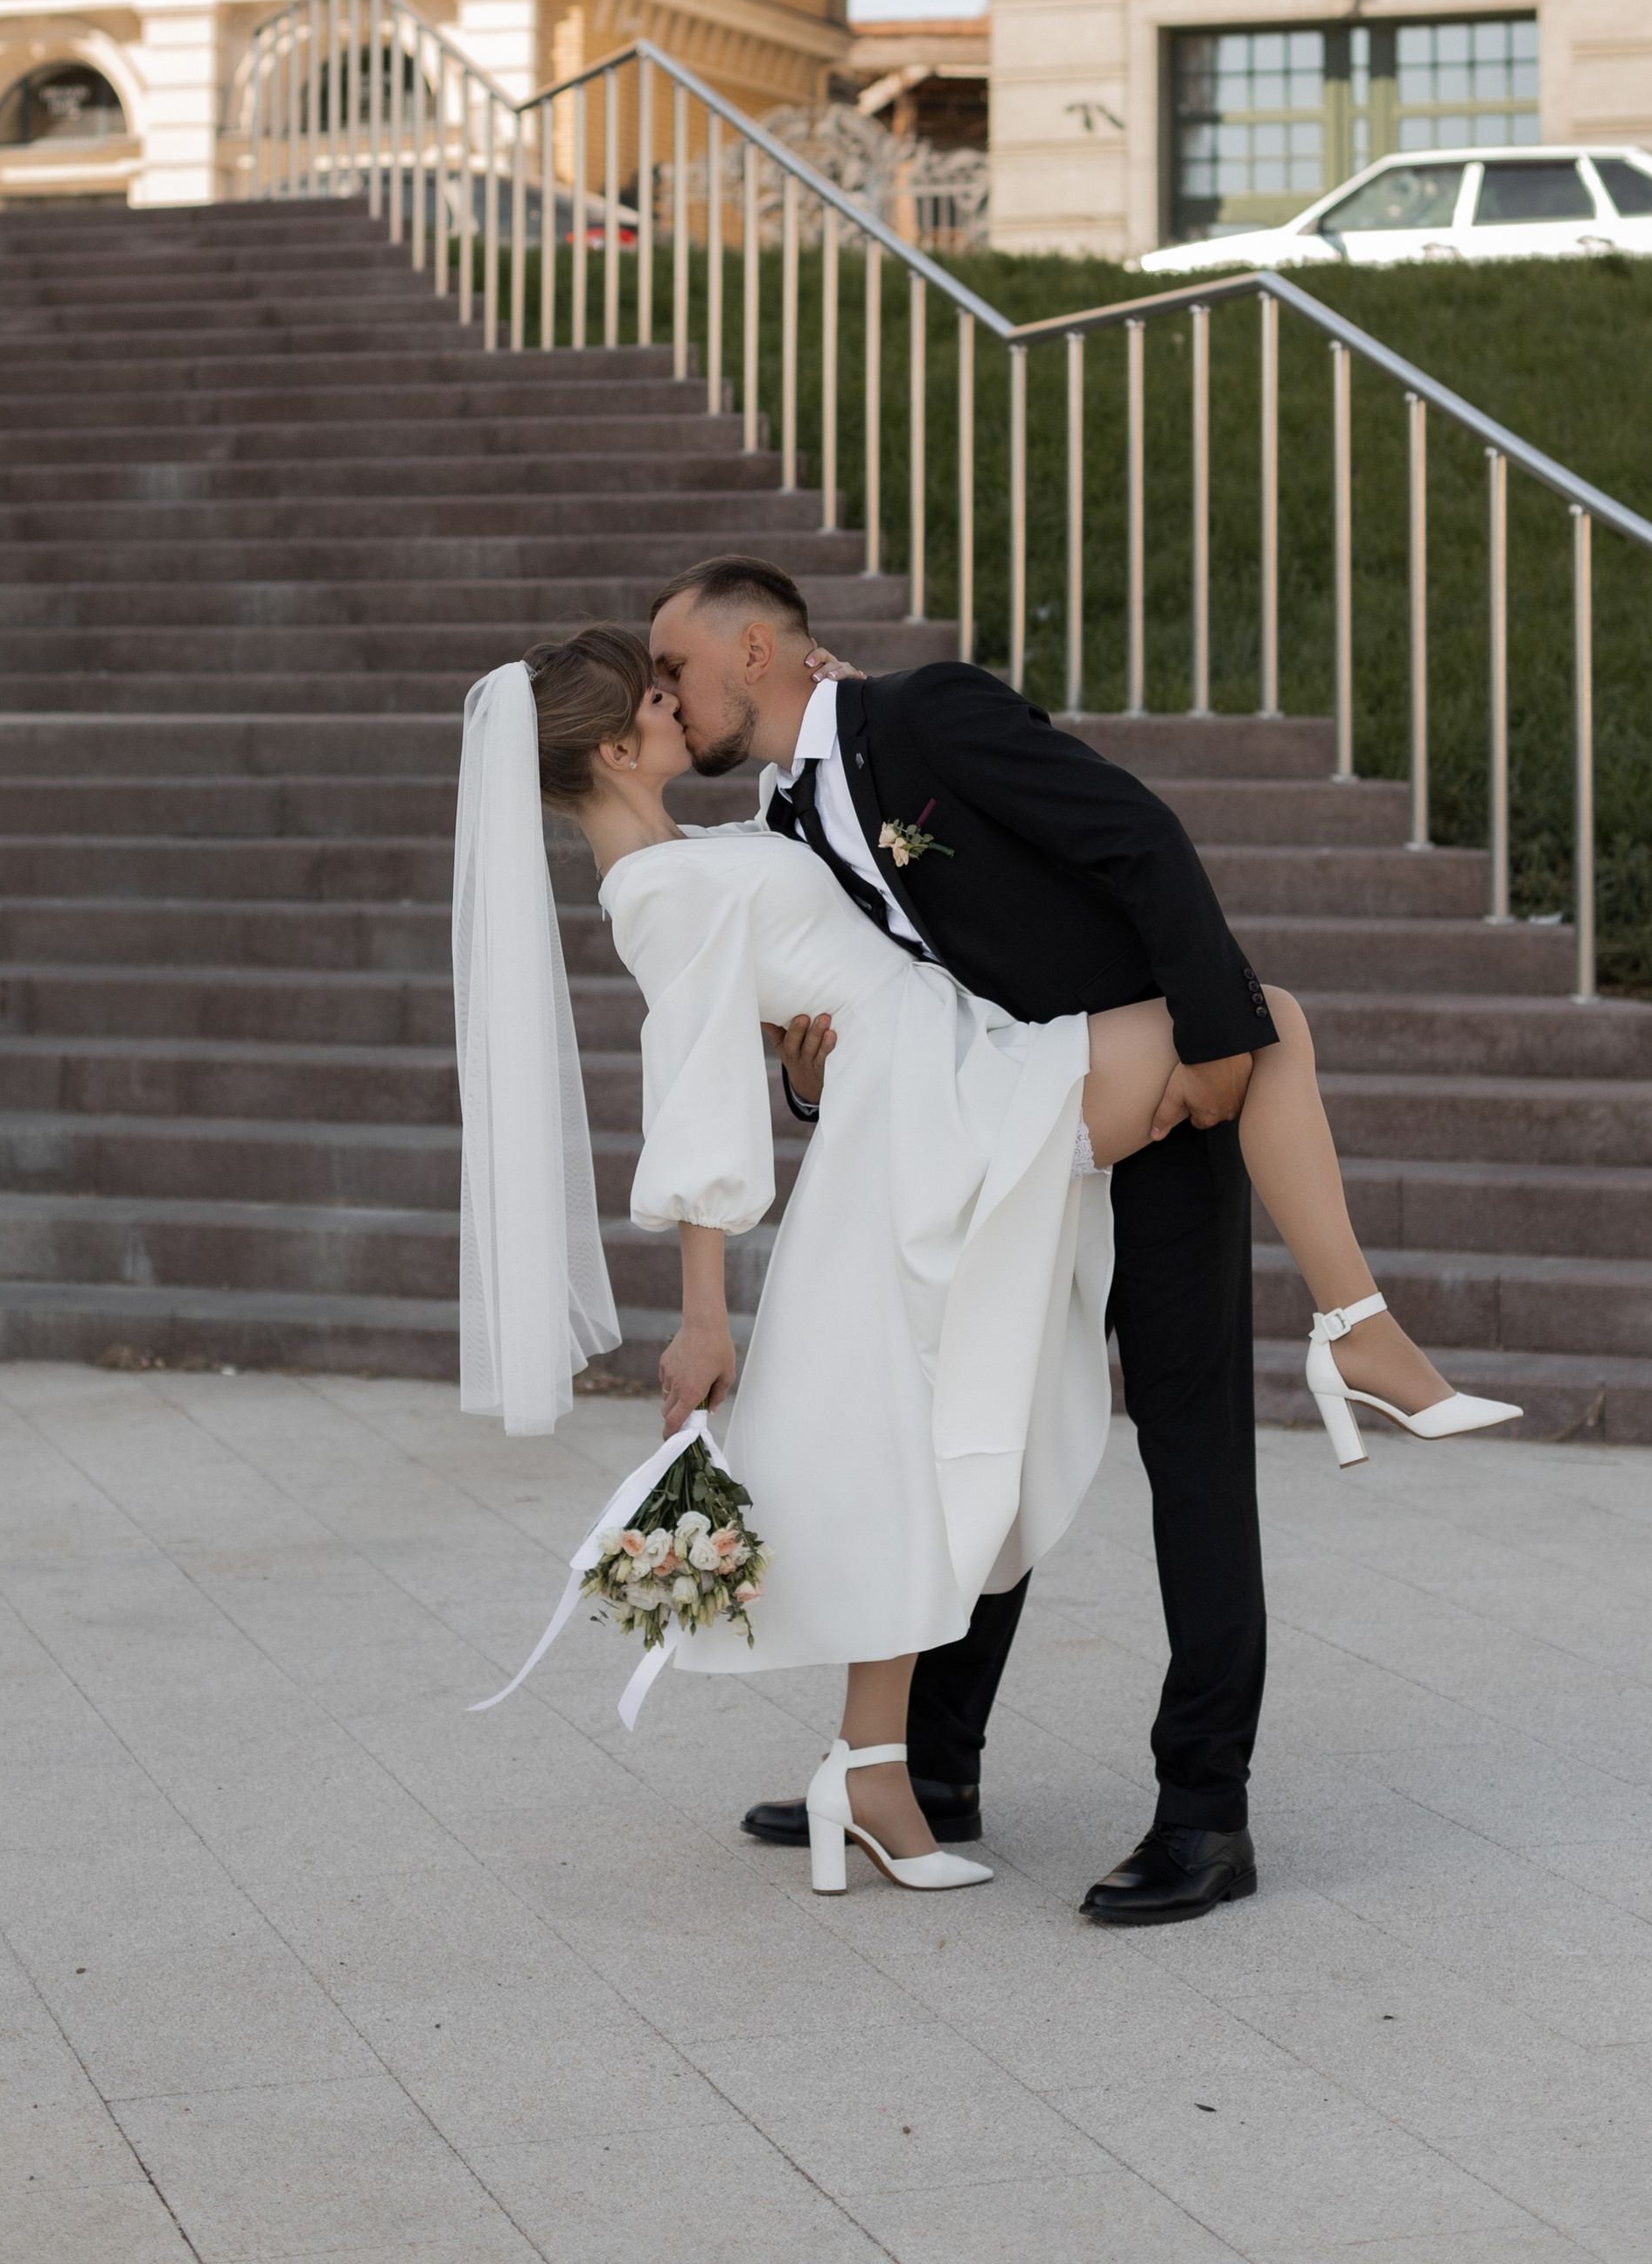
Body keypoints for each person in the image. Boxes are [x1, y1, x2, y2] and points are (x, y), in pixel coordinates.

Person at [644, 557, 1516, 1926]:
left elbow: (1139, 838)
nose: (664, 699)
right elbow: (881, 1012)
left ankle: (1205, 1814)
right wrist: (807, 1081)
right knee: (972, 1424)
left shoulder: (923, 719)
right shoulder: (780, 818)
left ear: (756, 650)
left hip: (1154, 1102)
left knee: (1193, 1457)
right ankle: (931, 1769)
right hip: (1000, 1141)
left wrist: (1220, 1049)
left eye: (673, 671)